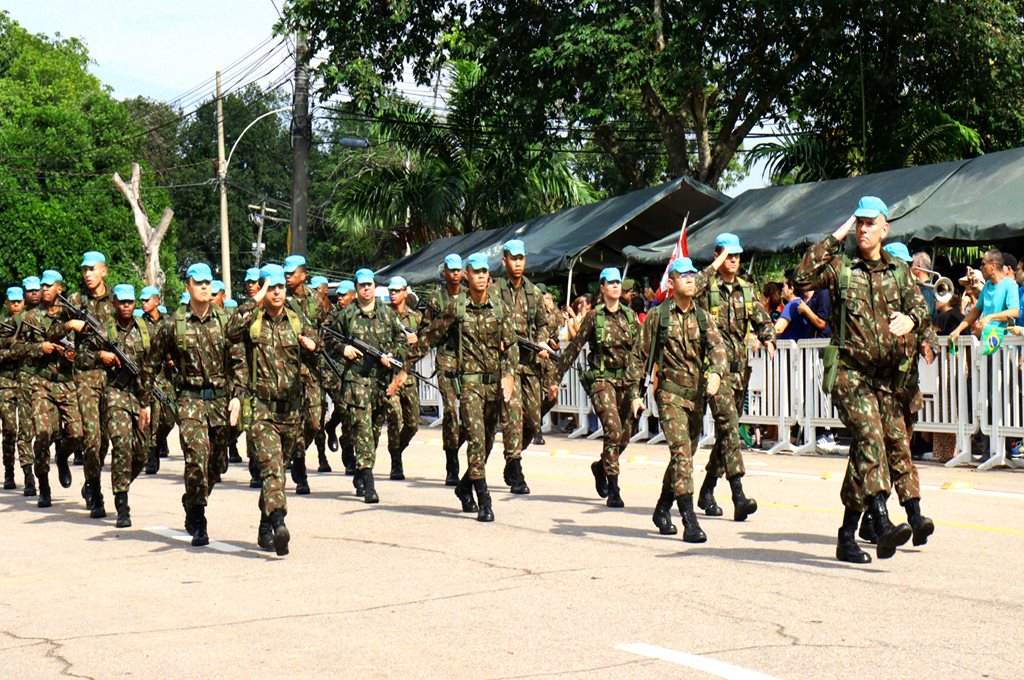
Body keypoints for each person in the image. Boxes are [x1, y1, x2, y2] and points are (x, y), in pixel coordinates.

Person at [794, 196, 930, 564]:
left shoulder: (899, 273)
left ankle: (846, 536)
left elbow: (920, 308)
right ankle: (883, 524)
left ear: (885, 229)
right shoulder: (841, 269)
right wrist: (837, 233)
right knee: (870, 438)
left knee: (868, 453)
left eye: (871, 223)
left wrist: (913, 321)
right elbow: (801, 276)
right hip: (850, 375)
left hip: (885, 381)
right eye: (860, 223)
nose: (864, 229)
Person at [389, 253, 517, 522]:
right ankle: (484, 500)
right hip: (469, 385)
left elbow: (511, 344)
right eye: (476, 272)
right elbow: (429, 337)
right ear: (467, 276)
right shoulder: (456, 307)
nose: (481, 276)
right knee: (475, 438)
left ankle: (463, 486)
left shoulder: (499, 307)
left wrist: (509, 375)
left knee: (487, 444)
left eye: (485, 272)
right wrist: (404, 369)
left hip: (494, 385)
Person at [627, 258, 728, 543]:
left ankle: (662, 507)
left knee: (682, 457)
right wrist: (635, 395)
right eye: (684, 275)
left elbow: (719, 348)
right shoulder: (660, 316)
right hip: (669, 395)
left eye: (693, 274)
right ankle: (689, 520)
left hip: (696, 398)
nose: (691, 279)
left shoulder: (703, 317)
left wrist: (718, 373)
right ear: (671, 283)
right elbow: (638, 356)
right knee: (682, 454)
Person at [153, 263, 244, 547]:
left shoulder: (225, 320)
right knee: (196, 458)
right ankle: (199, 518)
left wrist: (238, 396)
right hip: (190, 400)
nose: (205, 287)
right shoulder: (174, 323)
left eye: (208, 283)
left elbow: (239, 361)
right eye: (198, 283)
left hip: (219, 400)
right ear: (188, 287)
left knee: (217, 464)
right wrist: (147, 399)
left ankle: (192, 498)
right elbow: (153, 360)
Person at [231, 267, 319, 556]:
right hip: (262, 409)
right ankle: (279, 523)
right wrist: (255, 299)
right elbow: (229, 330)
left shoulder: (295, 319)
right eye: (272, 287)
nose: (278, 292)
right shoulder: (252, 320)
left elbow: (318, 343)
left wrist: (312, 345)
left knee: (278, 473)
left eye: (281, 286)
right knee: (271, 469)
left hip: (291, 412)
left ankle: (264, 522)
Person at [694, 233, 776, 522]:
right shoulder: (707, 287)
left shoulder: (746, 290)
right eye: (728, 255)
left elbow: (762, 320)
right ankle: (738, 494)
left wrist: (768, 338)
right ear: (717, 256)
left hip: (740, 372)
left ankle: (706, 490)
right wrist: (714, 265)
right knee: (729, 429)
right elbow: (692, 289)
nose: (734, 261)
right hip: (715, 372)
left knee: (724, 435)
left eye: (737, 256)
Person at [554, 267, 640, 508]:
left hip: (626, 381)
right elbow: (574, 347)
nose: (615, 286)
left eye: (618, 282)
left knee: (625, 435)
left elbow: (640, 350)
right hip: (602, 381)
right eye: (610, 283)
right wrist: (555, 377)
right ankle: (614, 488)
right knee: (612, 429)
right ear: (602, 288)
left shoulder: (630, 316)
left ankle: (600, 466)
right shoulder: (595, 316)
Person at [327, 268, 406, 503]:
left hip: (380, 381)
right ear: (356, 288)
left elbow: (402, 341)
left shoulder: (386, 313)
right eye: (362, 285)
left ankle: (361, 472)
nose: (366, 289)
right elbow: (330, 339)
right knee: (361, 429)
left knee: (372, 431)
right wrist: (344, 349)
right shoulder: (347, 314)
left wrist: (391, 355)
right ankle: (369, 483)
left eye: (369, 284)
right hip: (357, 380)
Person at [55, 251, 116, 519]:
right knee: (91, 437)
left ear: (104, 271)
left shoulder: (118, 301)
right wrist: (70, 323)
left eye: (92, 269)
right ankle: (96, 491)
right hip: (86, 375)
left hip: (114, 379)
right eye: (84, 270)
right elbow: (52, 333)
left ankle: (90, 480)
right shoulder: (76, 301)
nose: (87, 274)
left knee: (105, 440)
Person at [494, 239, 556, 494]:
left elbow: (546, 321)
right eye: (513, 258)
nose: (517, 263)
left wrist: (541, 340)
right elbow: (487, 318)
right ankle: (515, 464)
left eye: (521, 258)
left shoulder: (533, 291)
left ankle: (513, 456)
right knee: (512, 415)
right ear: (504, 261)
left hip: (530, 362)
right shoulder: (495, 290)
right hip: (507, 364)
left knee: (532, 419)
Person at [102, 285, 156, 528]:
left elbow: (153, 363)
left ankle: (122, 480)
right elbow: (81, 357)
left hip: (140, 395)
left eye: (130, 302)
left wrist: (147, 400)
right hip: (115, 393)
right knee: (121, 444)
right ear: (114, 302)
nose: (126, 306)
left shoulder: (145, 329)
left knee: (142, 452)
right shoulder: (105, 329)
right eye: (121, 302)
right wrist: (100, 356)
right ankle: (122, 502)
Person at [283, 254, 324, 492]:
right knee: (294, 421)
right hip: (289, 368)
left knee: (314, 422)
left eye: (292, 273)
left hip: (313, 369)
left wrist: (316, 345)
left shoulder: (317, 300)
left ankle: (295, 454)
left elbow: (327, 332)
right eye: (286, 273)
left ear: (303, 276)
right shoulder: (281, 300)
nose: (288, 277)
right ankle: (300, 471)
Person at [424, 254, 465, 485]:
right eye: (452, 270)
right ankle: (452, 464)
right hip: (447, 357)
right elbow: (427, 329)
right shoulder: (435, 299)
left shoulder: (471, 296)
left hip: (470, 358)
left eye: (459, 269)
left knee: (471, 413)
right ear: (444, 272)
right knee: (450, 411)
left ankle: (464, 451)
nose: (456, 273)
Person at [385, 276, 421, 480]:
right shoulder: (384, 316)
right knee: (394, 417)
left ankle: (398, 448)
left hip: (409, 376)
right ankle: (395, 461)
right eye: (391, 290)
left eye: (397, 290)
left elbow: (425, 341)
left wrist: (417, 339)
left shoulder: (415, 318)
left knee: (412, 423)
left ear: (405, 293)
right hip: (390, 375)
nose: (393, 294)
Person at [139, 285, 175, 475]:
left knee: (169, 418)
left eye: (147, 300)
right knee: (150, 418)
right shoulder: (139, 324)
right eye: (142, 301)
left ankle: (160, 441)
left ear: (157, 301)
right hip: (148, 376)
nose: (143, 303)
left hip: (166, 378)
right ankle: (150, 455)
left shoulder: (168, 322)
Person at [949, 250, 1020, 343]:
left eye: (983, 264)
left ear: (993, 266)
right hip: (987, 343)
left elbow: (1014, 312)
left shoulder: (1010, 285)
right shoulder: (987, 286)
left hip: (1004, 345)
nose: (980, 267)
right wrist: (958, 330)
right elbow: (975, 311)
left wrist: (990, 317)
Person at [911, 252, 936, 316]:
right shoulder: (931, 288)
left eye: (912, 264)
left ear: (919, 267)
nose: (910, 267)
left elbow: (928, 313)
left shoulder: (925, 290)